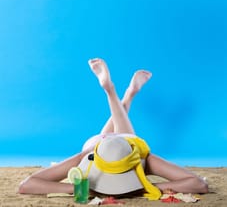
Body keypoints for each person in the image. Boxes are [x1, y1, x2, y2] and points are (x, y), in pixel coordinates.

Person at [18, 58, 208, 198]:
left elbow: (27, 185)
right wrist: (146, 186)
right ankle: (120, 93)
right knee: (124, 128)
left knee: (123, 128)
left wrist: (79, 188)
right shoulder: (134, 157)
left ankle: (119, 93)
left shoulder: (91, 157)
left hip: (103, 145)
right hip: (102, 146)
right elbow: (198, 183)